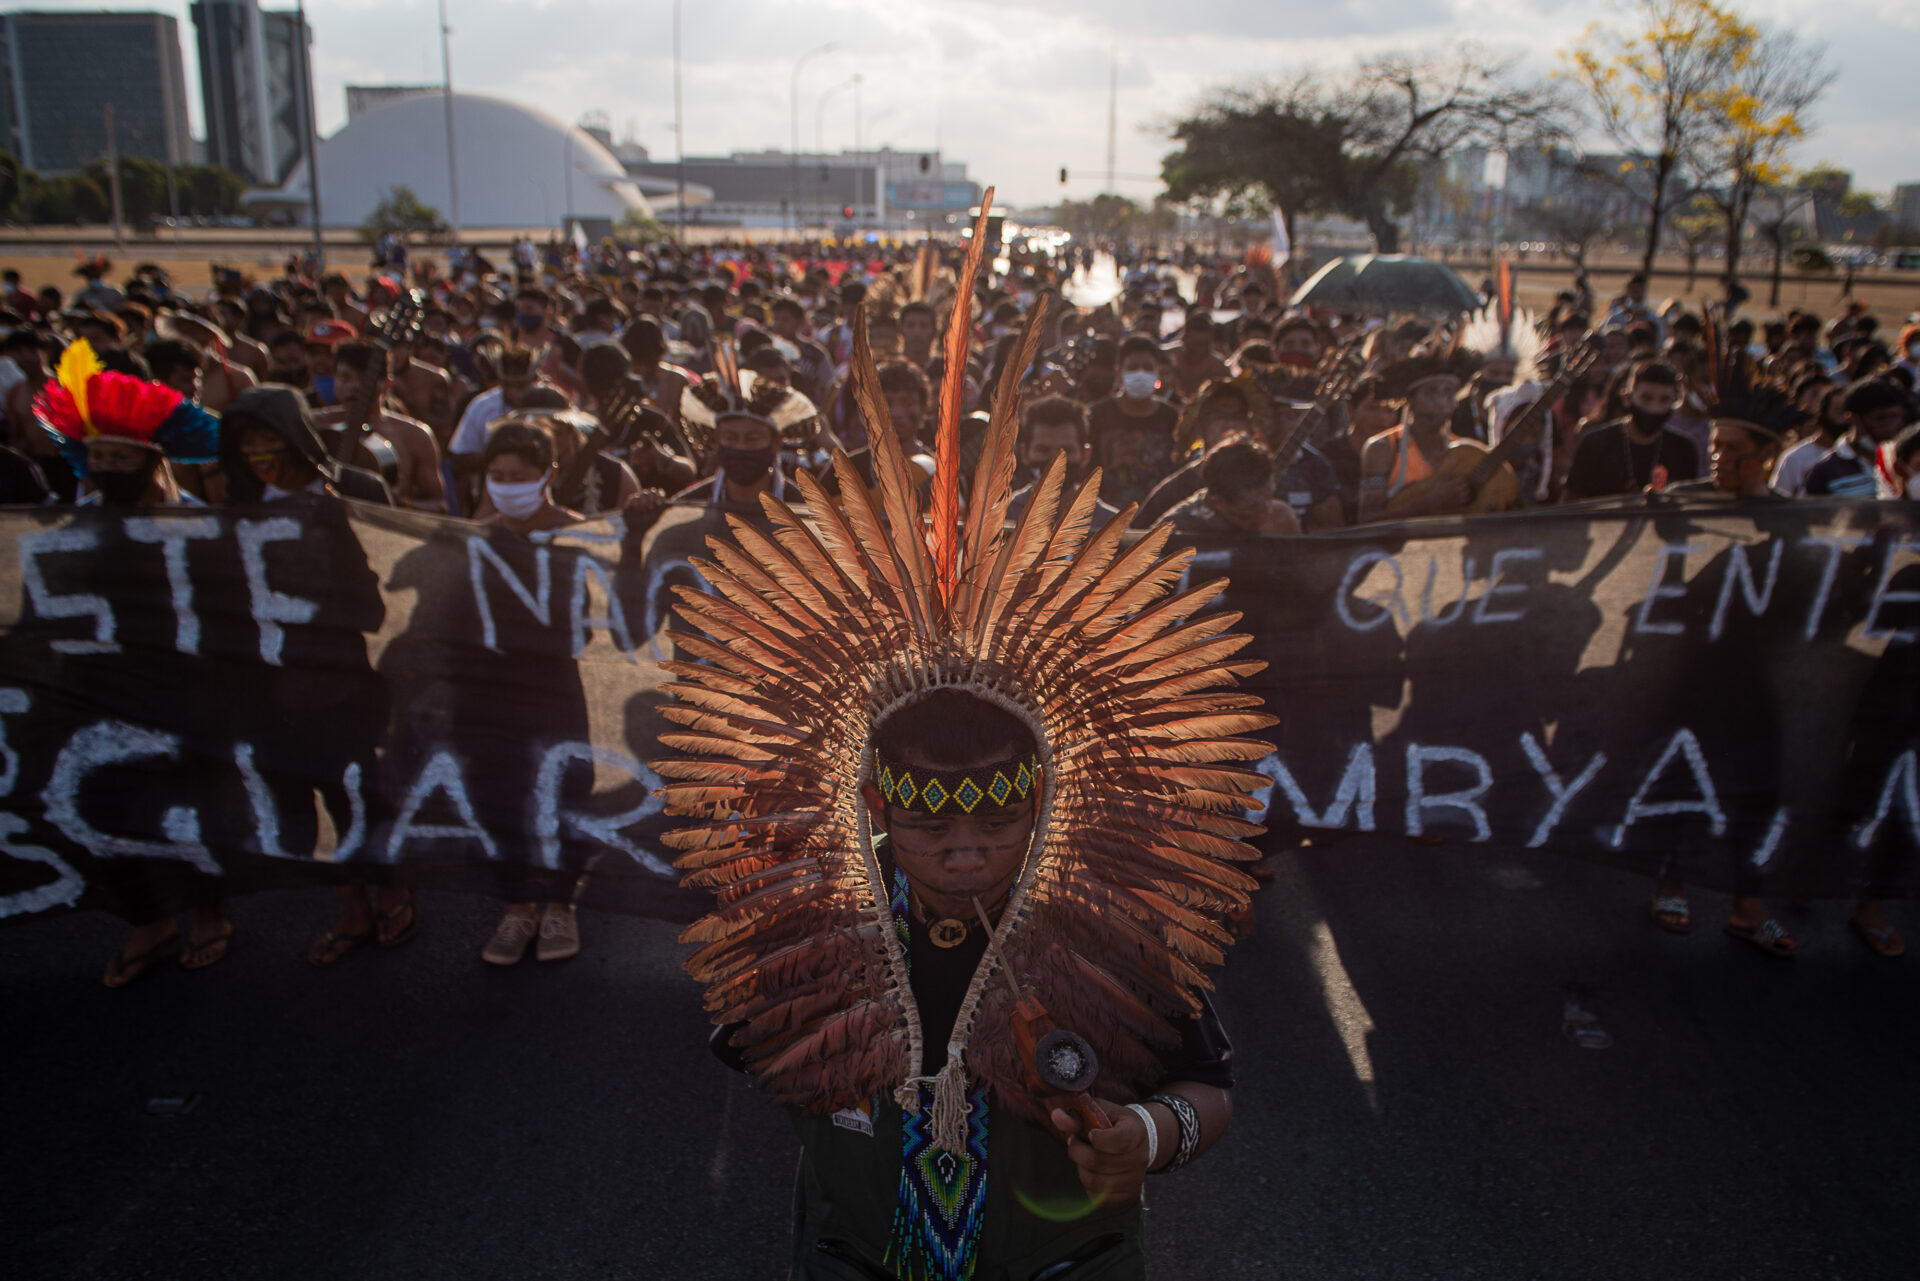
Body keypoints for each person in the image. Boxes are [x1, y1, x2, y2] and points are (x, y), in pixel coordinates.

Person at [664, 233, 1257, 1274]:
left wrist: (1147, 1138)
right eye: (935, 825)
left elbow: (1212, 1091)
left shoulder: (1106, 923)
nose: (970, 851)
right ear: (874, 809)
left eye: (996, 821)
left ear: (1045, 802)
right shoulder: (814, 920)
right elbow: (750, 1047)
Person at [31, 339, 231, 983]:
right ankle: (148, 918)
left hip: (182, 689)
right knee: (100, 802)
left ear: (151, 462)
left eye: (123, 458)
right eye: (99, 458)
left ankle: (209, 911)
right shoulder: (64, 528)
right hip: (96, 691)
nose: (110, 469)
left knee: (190, 804)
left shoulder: (195, 525)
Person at [473, 421, 587, 964]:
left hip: (556, 686)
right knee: (499, 791)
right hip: (493, 689)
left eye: (519, 476)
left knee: (566, 789)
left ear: (549, 475)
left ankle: (560, 904)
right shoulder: (477, 538)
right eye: (497, 476)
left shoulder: (580, 534)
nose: (507, 485)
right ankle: (518, 905)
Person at [318, 340, 447, 512]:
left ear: (387, 384)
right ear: (334, 380)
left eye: (364, 378)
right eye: (346, 378)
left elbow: (439, 505)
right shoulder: (316, 424)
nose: (355, 386)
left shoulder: (415, 436)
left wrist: (401, 503)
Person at [1357, 354, 1479, 521]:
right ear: (1411, 399)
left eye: (1449, 392)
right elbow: (1367, 519)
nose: (1442, 401)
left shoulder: (1464, 451)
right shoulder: (1384, 448)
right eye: (1432, 392)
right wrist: (1427, 504)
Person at [1559, 360, 1700, 500]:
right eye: (1646, 398)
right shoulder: (1595, 443)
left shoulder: (1683, 449)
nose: (1654, 408)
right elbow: (1570, 503)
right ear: (1627, 398)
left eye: (1664, 400)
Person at [1087, 334, 1179, 508]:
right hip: (1105, 512)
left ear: (1157, 372)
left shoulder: (1171, 416)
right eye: (1132, 367)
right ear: (1118, 373)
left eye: (1147, 367)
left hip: (1157, 513)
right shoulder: (1097, 414)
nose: (1140, 373)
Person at [1004, 395, 1119, 523]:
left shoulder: (1110, 524)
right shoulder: (998, 520)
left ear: (1085, 455)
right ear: (1024, 454)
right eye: (1043, 450)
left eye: (1066, 451)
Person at [1801, 378, 1913, 499]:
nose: (1890, 425)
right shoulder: (1825, 472)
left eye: (1895, 416)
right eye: (1880, 418)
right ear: (1853, 419)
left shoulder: (1911, 461)